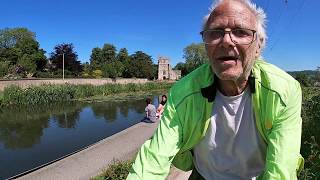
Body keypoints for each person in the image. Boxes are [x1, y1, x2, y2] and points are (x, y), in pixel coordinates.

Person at [127, 0, 303, 179]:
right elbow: (154, 158)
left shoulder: (284, 91)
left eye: (240, 32)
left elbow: (281, 171)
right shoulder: (182, 91)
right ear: (206, 45)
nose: (226, 41)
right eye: (215, 33)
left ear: (258, 46)